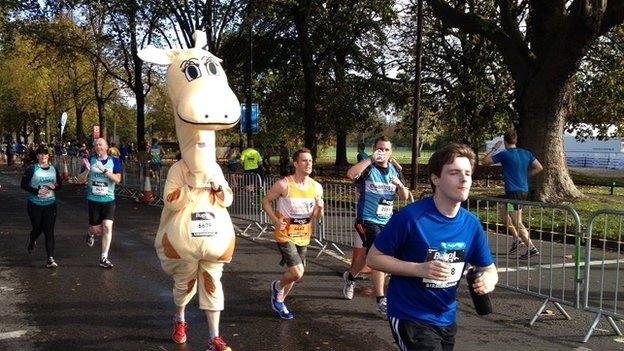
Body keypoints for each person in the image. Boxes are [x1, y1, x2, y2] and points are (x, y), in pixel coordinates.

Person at [367, 143, 498, 351]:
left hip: (445, 316)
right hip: (410, 315)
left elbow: (488, 268)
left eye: (467, 173)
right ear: (436, 179)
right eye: (454, 173)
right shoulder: (410, 217)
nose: (464, 179)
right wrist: (419, 269)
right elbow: (374, 258)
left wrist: (489, 280)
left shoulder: (471, 224)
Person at [342, 135, 410, 314]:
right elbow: (350, 174)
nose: (383, 152)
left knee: (367, 255)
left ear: (391, 152)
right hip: (366, 219)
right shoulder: (368, 167)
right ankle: (381, 299)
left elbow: (404, 196)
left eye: (386, 149)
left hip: (387, 221)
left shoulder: (395, 170)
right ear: (375, 150)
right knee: (379, 254)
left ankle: (350, 277)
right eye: (380, 149)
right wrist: (371, 159)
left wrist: (400, 186)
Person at [262, 148, 324, 319]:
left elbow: (318, 216)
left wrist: (320, 207)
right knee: (297, 272)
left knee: (295, 273)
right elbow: (266, 201)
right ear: (296, 164)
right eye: (304, 161)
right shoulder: (284, 185)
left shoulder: (316, 187)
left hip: (304, 235)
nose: (308, 164)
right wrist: (275, 219)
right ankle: (277, 287)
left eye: (310, 161)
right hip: (285, 234)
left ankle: (280, 300)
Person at [481, 130, 543, 259]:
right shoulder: (526, 153)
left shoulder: (505, 154)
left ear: (504, 141)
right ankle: (516, 239)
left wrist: (494, 148)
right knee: (504, 211)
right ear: (516, 140)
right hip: (520, 192)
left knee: (517, 221)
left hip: (514, 193)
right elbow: (539, 167)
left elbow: (485, 161)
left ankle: (531, 247)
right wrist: (525, 177)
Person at [78, 138, 122, 268]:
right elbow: (80, 180)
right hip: (94, 200)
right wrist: (86, 170)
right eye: (96, 145)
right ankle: (90, 233)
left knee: (107, 227)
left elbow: (117, 180)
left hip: (108, 200)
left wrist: (104, 171)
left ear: (106, 146)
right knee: (96, 230)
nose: (98, 147)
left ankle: (104, 258)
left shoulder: (114, 161)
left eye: (101, 144)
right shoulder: (90, 160)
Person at [21, 145, 62, 268]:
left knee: (49, 231)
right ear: (37, 156)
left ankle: (50, 258)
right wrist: (37, 191)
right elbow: (23, 185)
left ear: (48, 156)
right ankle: (32, 239)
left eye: (45, 154)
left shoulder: (54, 169)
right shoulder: (32, 169)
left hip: (50, 204)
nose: (43, 156)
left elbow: (59, 185)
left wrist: (54, 186)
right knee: (37, 228)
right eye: (41, 154)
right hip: (35, 204)